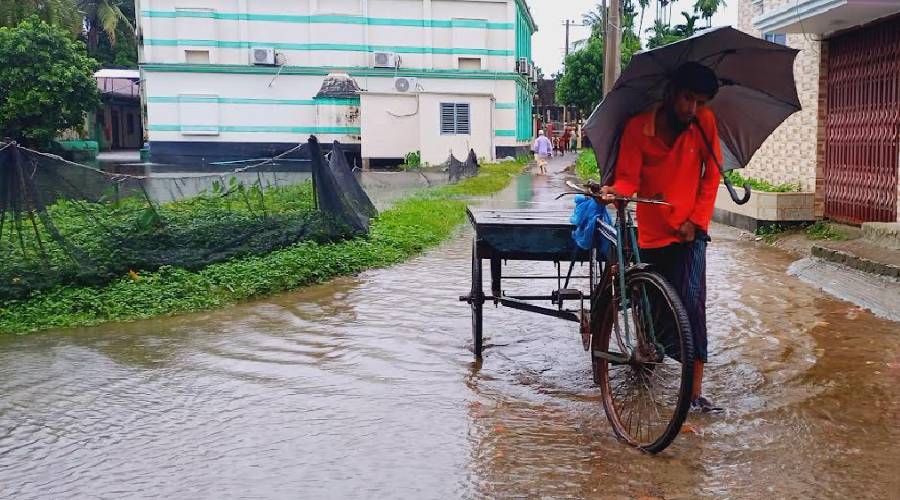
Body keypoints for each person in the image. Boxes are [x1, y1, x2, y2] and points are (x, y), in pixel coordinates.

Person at [599, 62, 724, 413]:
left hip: (690, 234)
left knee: (692, 307)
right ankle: (650, 354)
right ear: (670, 92)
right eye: (687, 98)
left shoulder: (704, 123)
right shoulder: (638, 129)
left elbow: (711, 175)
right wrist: (614, 192)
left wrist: (697, 221)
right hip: (653, 233)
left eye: (700, 101)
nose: (692, 109)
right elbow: (627, 180)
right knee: (653, 307)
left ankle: (695, 393)